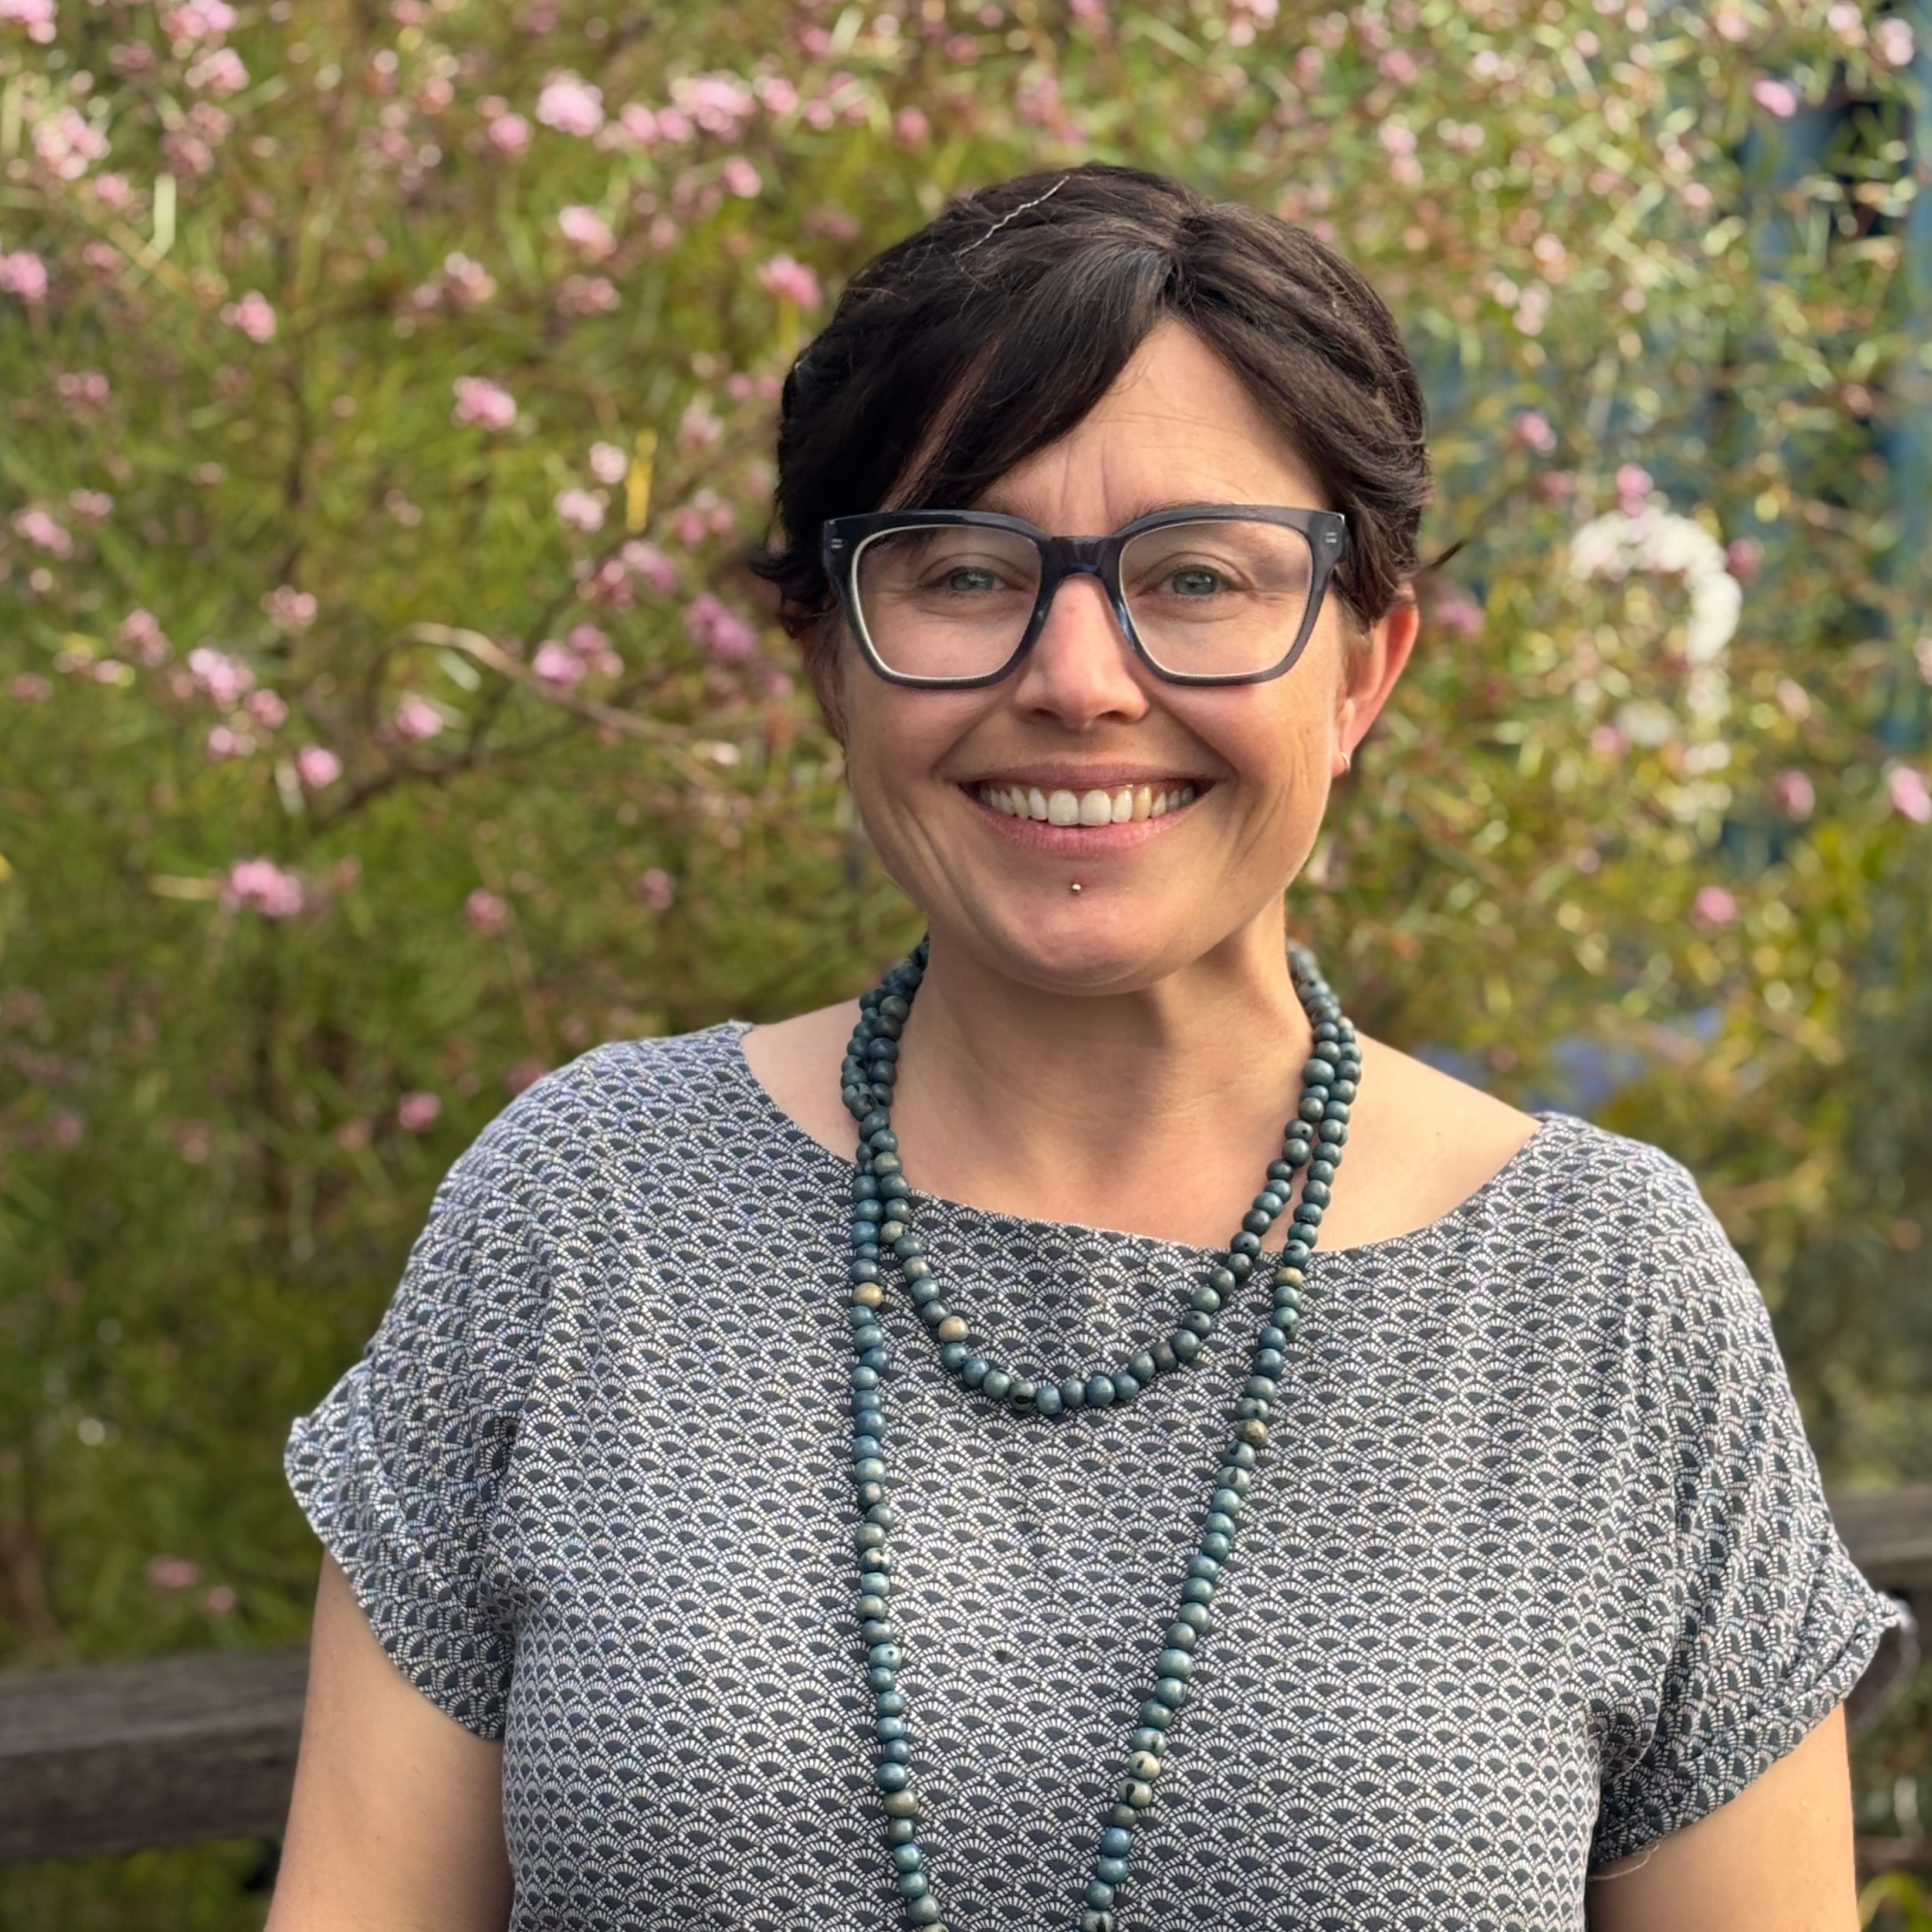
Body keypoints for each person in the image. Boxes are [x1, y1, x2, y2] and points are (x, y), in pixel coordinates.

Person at [267, 164, 1903, 1932]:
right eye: (964, 570)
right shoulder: (586, 1213)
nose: (1076, 676)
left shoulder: (1606, 1301)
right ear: (829, 660)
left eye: (1196, 577)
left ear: (1365, 670)